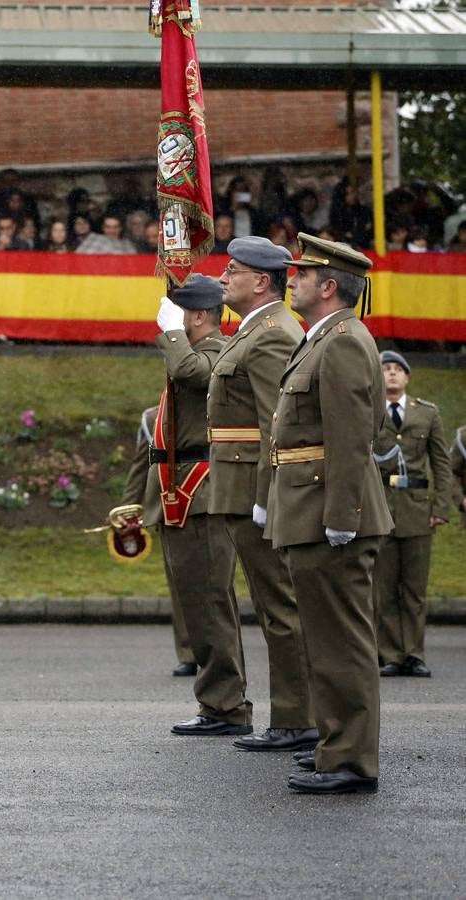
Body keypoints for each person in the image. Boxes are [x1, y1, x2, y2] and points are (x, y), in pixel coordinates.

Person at [270, 233, 392, 794]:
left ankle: (349, 759)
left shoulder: (342, 341)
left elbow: (351, 435)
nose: (290, 280)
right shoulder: (329, 337)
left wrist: (342, 513)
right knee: (325, 638)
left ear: (328, 286)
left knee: (340, 640)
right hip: (313, 505)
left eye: (300, 274)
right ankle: (334, 744)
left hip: (328, 509)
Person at [208, 237, 317, 752]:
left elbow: (279, 423)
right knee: (274, 602)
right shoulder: (253, 330)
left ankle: (298, 718)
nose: (223, 277)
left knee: (280, 605)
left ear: (261, 282)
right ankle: (297, 715)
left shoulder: (273, 333)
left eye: (233, 270)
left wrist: (267, 494)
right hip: (236, 484)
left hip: (254, 486)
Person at [152, 275, 251, 737]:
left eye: (181, 315)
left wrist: (172, 333)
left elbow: (191, 373)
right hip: (183, 493)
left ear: (197, 315)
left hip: (204, 493)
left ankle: (226, 705)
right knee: (198, 602)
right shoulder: (198, 349)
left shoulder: (217, 351)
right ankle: (219, 702)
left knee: (210, 602)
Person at [372, 350, 452, 678]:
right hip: (383, 510)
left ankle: (414, 654)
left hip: (418, 511)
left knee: (415, 591)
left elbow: (441, 465)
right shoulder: (371, 412)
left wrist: (441, 507)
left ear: (406, 377)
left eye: (397, 369)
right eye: (385, 369)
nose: (391, 374)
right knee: (385, 590)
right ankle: (391, 654)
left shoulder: (427, 414)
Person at [117, 405, 195, 676]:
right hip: (173, 507)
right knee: (180, 583)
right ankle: (189, 652)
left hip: (219, 504)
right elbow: (141, 466)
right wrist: (127, 512)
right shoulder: (153, 418)